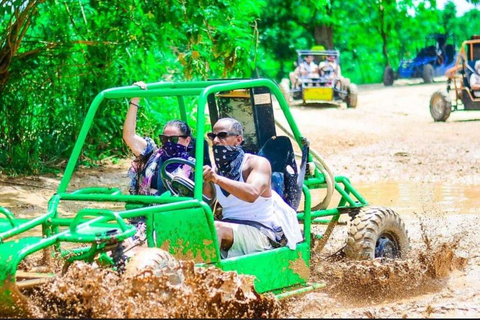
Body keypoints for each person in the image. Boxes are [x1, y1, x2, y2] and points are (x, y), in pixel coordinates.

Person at [202, 117, 303, 259]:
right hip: (231, 229)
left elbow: (252, 194)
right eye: (213, 136)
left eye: (222, 135)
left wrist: (217, 179)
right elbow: (205, 200)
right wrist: (202, 181)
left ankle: (204, 277)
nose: (216, 141)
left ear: (238, 140)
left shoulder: (257, 163)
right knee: (196, 228)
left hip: (261, 231)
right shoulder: (216, 169)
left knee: (215, 230)